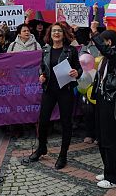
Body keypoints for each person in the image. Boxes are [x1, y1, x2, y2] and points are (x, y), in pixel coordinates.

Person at [29, 22, 82, 169]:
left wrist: (77, 73)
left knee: (66, 123)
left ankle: (63, 154)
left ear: (63, 34)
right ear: (50, 34)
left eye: (59, 31)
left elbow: (78, 68)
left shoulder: (71, 50)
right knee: (43, 120)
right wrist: (41, 76)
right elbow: (41, 67)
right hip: (49, 90)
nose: (56, 33)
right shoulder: (46, 49)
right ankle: (41, 148)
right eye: (54, 31)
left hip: (65, 90)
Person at [90, 27, 116, 189]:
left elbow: (109, 53)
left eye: (102, 41)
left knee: (111, 139)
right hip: (102, 100)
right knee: (101, 137)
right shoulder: (106, 59)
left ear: (109, 42)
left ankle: (115, 178)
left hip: (112, 101)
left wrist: (94, 34)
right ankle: (108, 170)